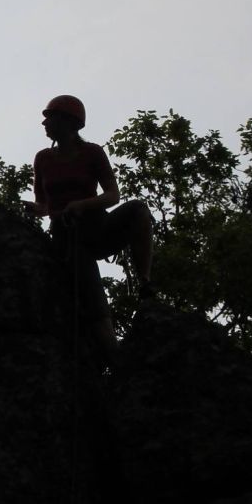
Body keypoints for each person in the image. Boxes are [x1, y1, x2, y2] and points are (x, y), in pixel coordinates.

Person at [28, 95, 155, 363]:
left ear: (68, 121)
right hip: (69, 239)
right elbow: (44, 203)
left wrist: (82, 205)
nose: (44, 123)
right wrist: (35, 209)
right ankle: (116, 359)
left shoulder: (92, 153)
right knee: (98, 313)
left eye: (50, 117)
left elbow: (112, 195)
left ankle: (144, 282)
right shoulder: (42, 159)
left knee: (139, 211)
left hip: (97, 226)